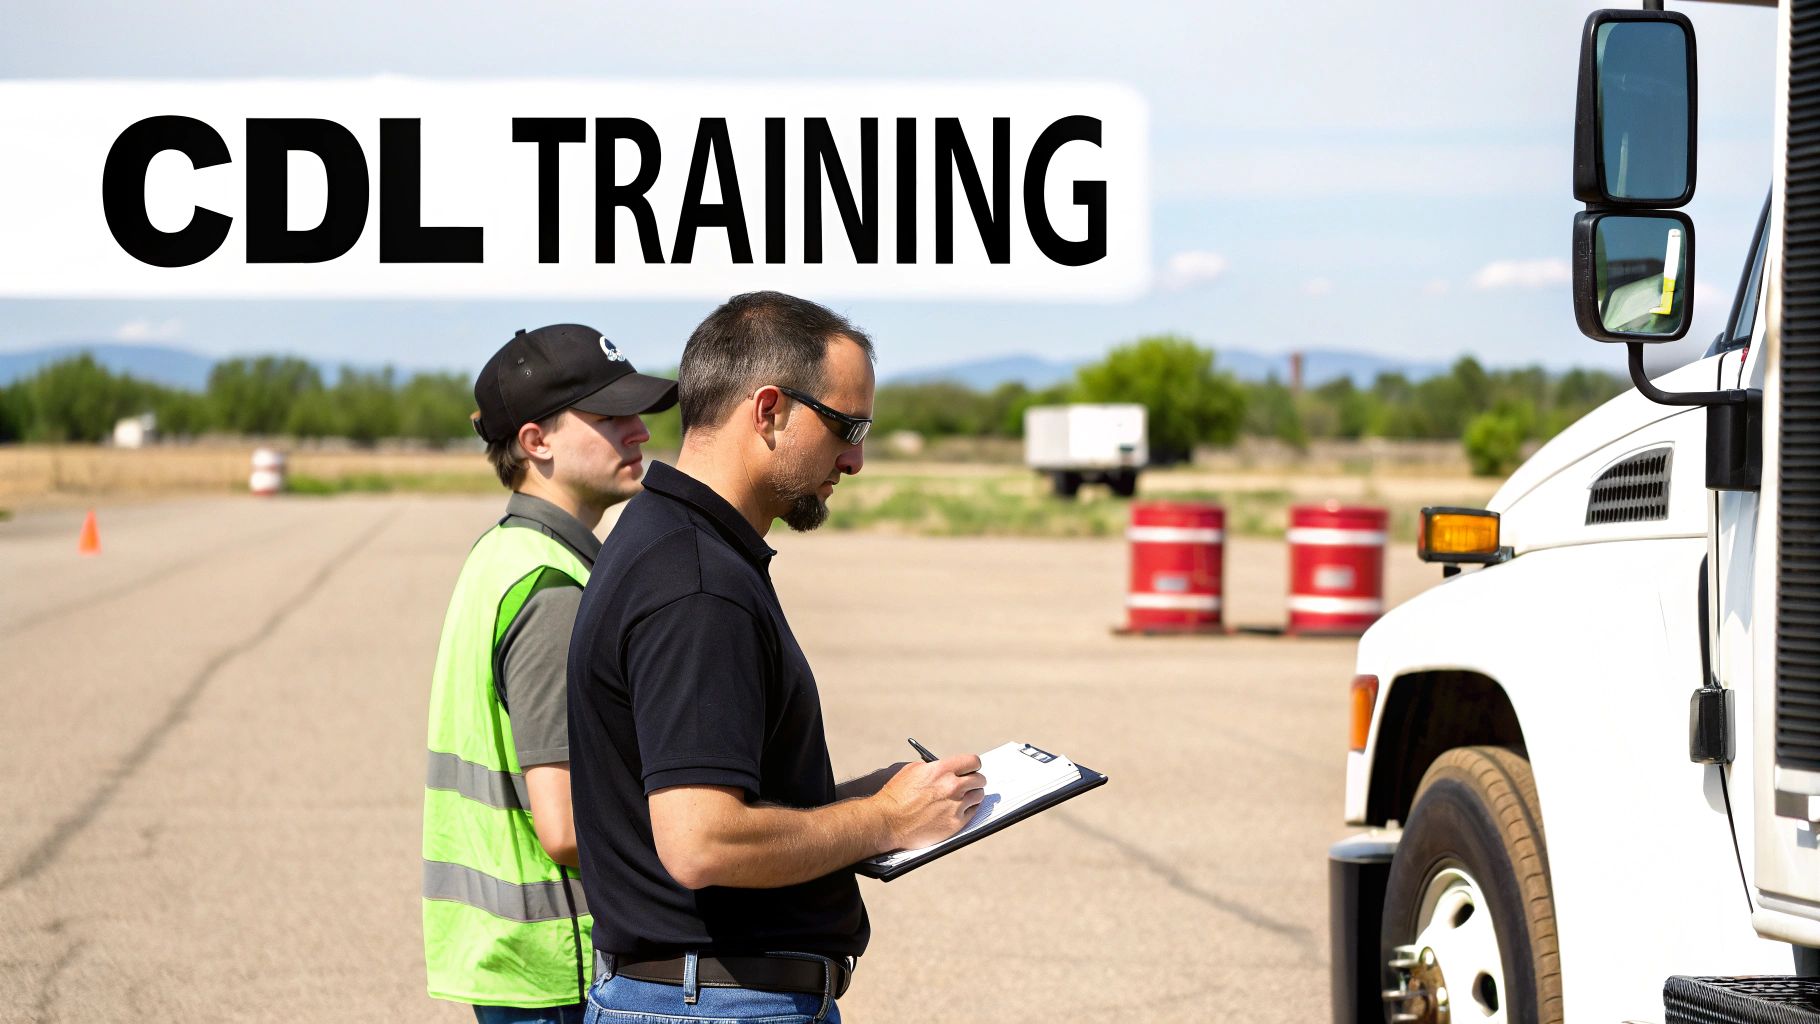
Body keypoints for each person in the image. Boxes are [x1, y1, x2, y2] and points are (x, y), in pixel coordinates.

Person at [566, 291, 988, 1024]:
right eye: (846, 426)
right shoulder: (697, 584)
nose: (854, 460)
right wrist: (885, 820)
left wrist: (864, 797)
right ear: (769, 411)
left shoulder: (665, 539)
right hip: (715, 1005)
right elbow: (703, 841)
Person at [422, 324, 678, 1023]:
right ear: (537, 442)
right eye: (611, 417)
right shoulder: (550, 587)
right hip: (557, 965)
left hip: (515, 956)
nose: (640, 433)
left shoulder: (503, 553)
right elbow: (563, 827)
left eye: (639, 415)